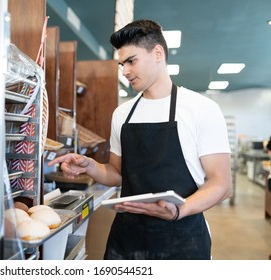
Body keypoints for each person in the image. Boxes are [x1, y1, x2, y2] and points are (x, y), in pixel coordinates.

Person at [48, 19, 232, 260]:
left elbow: (221, 184)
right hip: (126, 239)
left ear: (158, 53)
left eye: (131, 61)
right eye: (121, 64)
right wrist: (90, 166)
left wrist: (180, 210)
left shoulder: (201, 109)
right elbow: (117, 173)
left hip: (183, 238)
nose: (124, 72)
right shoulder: (123, 114)